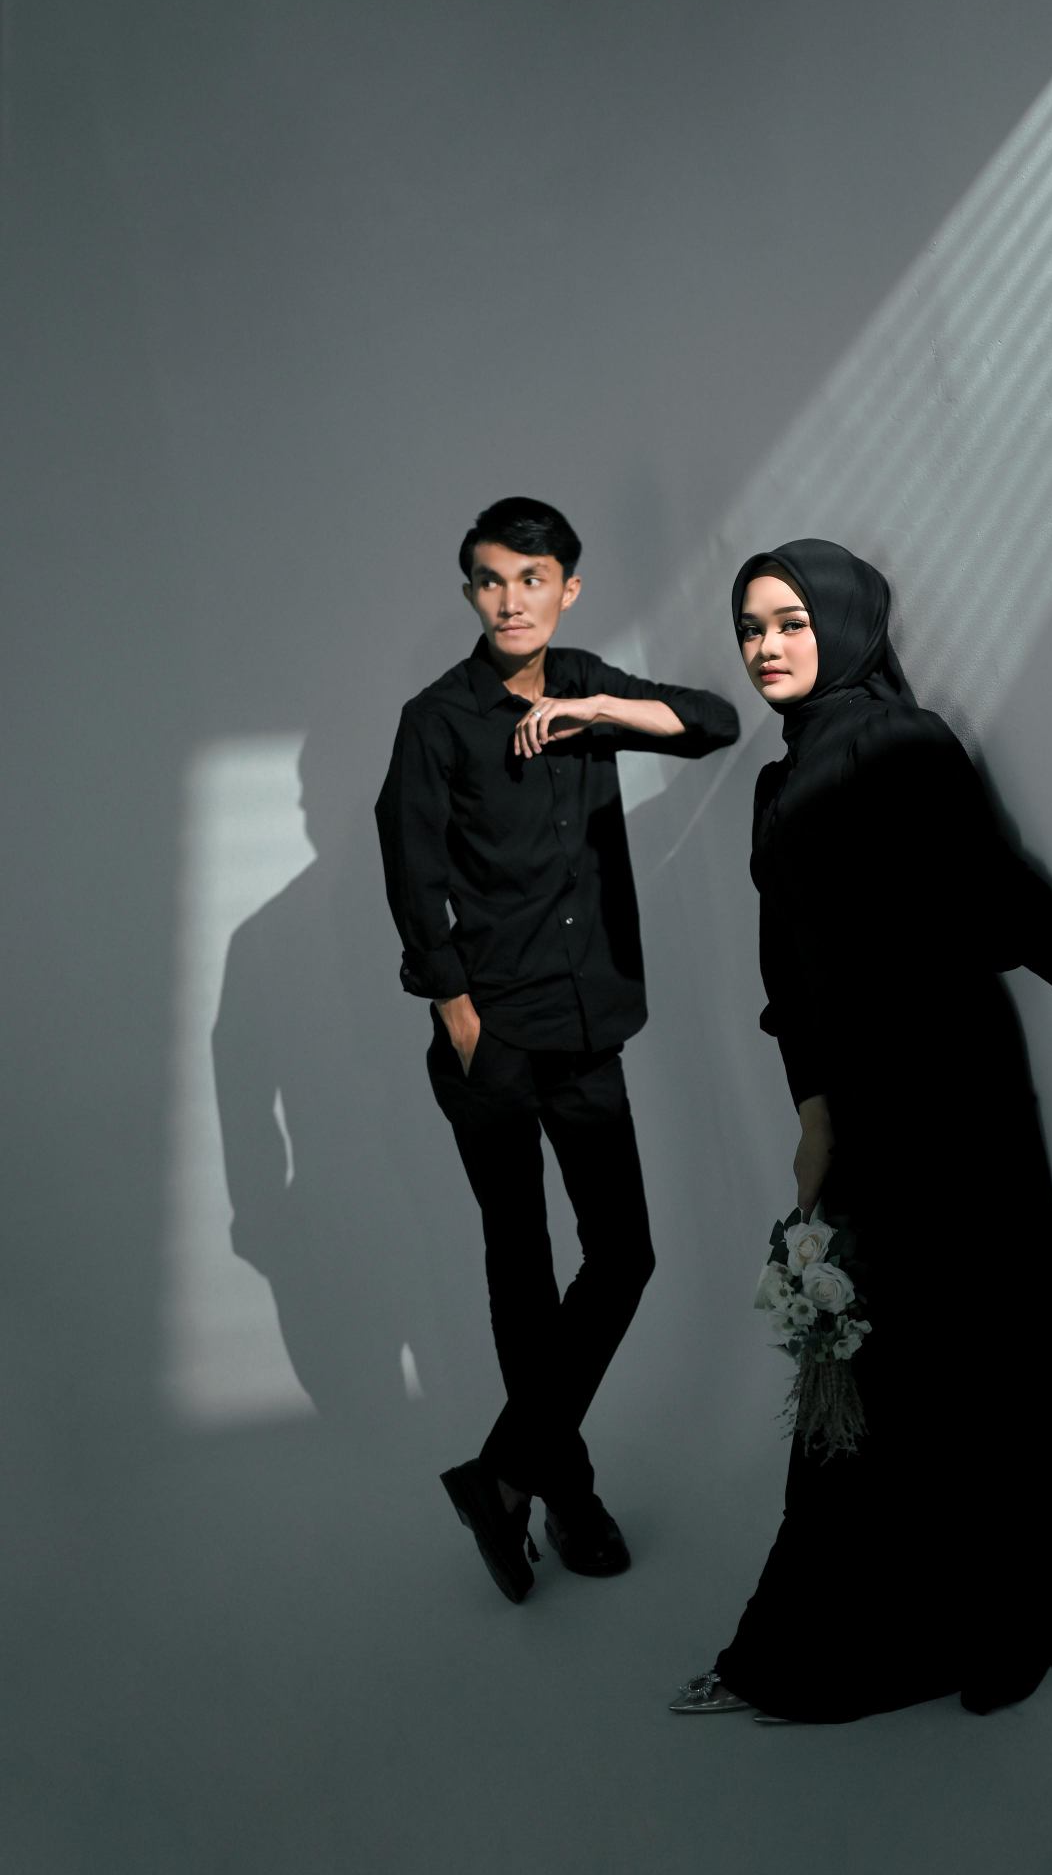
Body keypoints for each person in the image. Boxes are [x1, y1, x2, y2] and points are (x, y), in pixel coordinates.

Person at [669, 537, 1052, 1723]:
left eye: (788, 621)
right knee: (867, 1359)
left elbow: (996, 886)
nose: (765, 646)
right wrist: (811, 1109)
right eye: (750, 628)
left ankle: (1000, 1619)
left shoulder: (900, 741)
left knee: (982, 1344)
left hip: (951, 1085)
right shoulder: (775, 784)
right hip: (862, 1102)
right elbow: (786, 972)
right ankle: (865, 1627)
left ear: (843, 622)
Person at [375, 497, 739, 1602]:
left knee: (622, 1254)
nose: (511, 599)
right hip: (491, 1040)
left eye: (532, 579)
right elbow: (410, 871)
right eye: (491, 579)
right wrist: (458, 1014)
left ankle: (504, 1474)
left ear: (567, 590)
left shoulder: (584, 683)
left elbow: (715, 722)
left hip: (587, 1030)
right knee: (523, 1269)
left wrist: (596, 708)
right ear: (471, 592)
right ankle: (568, 1494)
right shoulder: (437, 719)